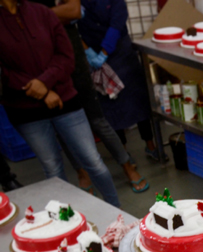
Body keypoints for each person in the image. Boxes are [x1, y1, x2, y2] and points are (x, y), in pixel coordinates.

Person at [0, 0, 120, 207]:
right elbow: (4, 72)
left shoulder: (42, 13)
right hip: (25, 110)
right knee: (52, 170)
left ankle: (117, 212)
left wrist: (45, 83)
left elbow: (65, 55)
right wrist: (42, 92)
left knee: (94, 162)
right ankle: (65, 221)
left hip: (65, 100)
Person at [31, 0, 149, 193]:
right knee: (61, 123)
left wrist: (37, 16)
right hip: (48, 58)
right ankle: (82, 174)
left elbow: (73, 11)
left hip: (78, 57)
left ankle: (127, 165)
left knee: (99, 118)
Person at [78, 0, 160, 162]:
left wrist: (104, 52)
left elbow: (116, 25)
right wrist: (87, 51)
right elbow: (71, 29)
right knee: (110, 106)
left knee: (138, 101)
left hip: (121, 52)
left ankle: (150, 145)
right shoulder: (76, 3)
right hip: (94, 53)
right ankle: (123, 153)